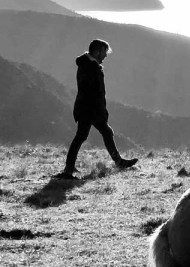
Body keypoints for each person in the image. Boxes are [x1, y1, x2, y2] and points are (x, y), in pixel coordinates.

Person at [55, 39, 138, 178]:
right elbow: (93, 92)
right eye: (105, 52)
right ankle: (69, 170)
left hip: (87, 108)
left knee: (94, 134)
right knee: (89, 135)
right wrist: (100, 110)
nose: (105, 56)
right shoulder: (90, 66)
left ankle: (69, 169)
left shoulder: (88, 64)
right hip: (90, 109)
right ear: (97, 51)